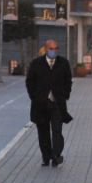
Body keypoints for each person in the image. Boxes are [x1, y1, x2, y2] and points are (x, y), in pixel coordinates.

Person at [25, 39, 73, 167]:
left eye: (56, 48)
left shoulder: (63, 63)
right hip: (41, 103)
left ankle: (56, 155)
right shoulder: (36, 63)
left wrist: (65, 94)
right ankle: (46, 157)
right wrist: (34, 97)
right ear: (46, 49)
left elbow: (68, 80)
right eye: (51, 49)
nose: (54, 51)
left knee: (57, 131)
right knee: (43, 131)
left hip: (57, 103)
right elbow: (30, 81)